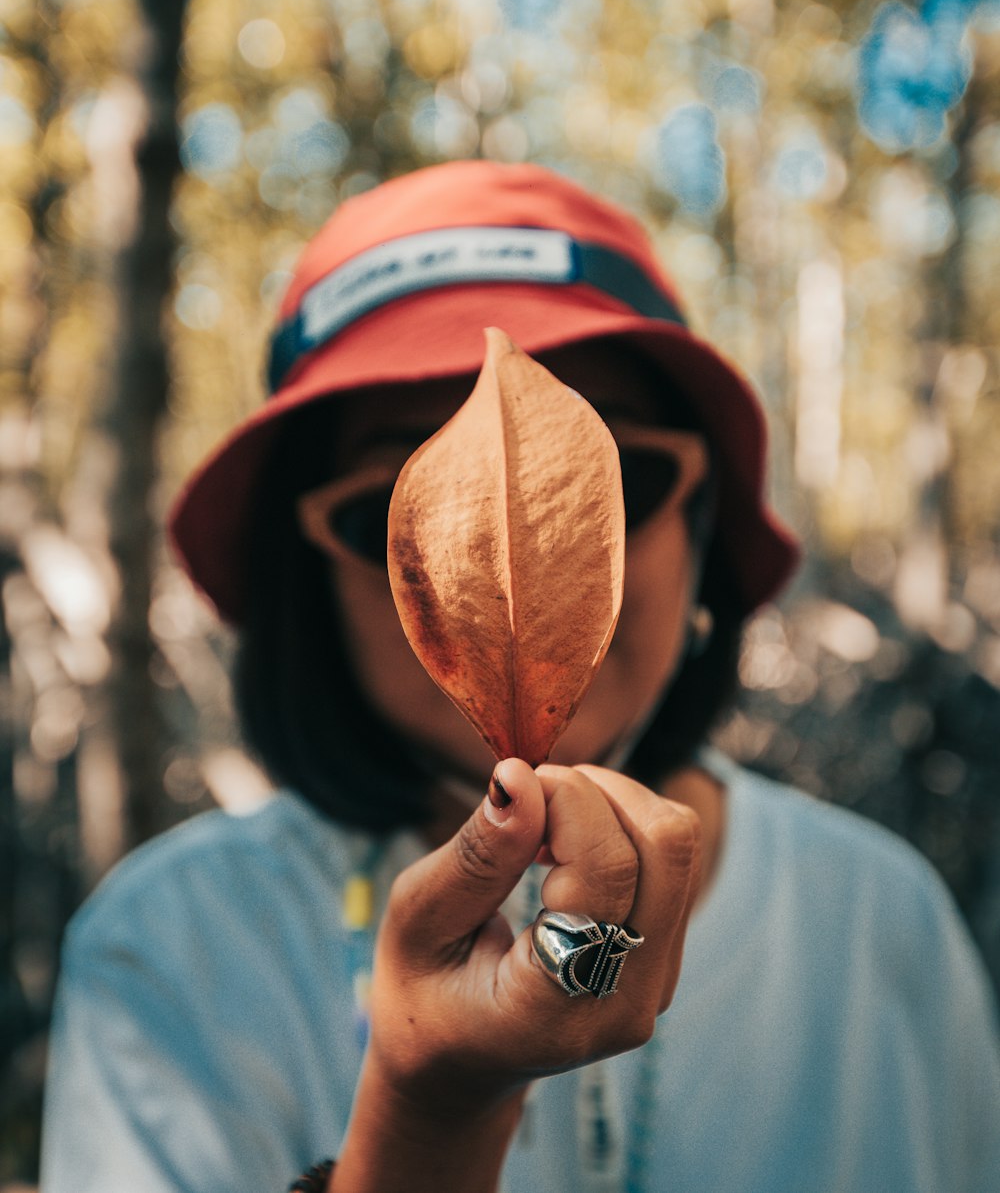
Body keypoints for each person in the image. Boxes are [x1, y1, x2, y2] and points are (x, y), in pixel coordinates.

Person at [41, 161, 1000, 1193]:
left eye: (606, 484)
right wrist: (427, 1117)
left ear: (706, 541)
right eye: (403, 514)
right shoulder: (170, 952)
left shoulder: (878, 923)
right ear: (308, 592)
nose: (517, 571)